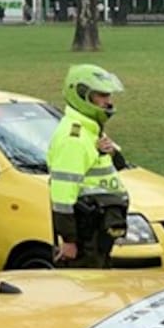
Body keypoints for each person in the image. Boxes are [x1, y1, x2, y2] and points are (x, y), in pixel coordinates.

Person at [47, 64, 129, 268]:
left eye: (109, 95)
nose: (108, 102)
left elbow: (120, 165)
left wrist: (111, 152)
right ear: (82, 95)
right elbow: (63, 195)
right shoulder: (74, 137)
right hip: (85, 237)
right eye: (101, 95)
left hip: (99, 230)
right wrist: (68, 241)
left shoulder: (91, 130)